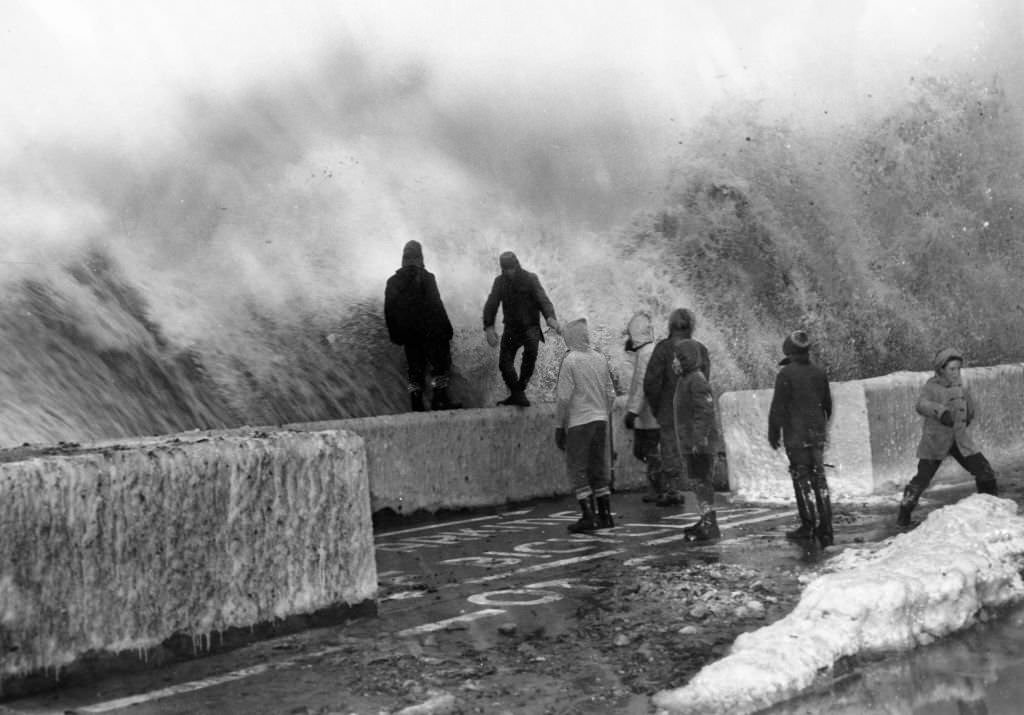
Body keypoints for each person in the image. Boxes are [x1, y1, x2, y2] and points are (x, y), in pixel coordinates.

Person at [897, 348, 998, 527]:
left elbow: (968, 405)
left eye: (958, 369)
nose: (956, 373)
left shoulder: (959, 386)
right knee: (922, 479)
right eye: (952, 369)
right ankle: (903, 516)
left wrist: (968, 416)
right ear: (941, 369)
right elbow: (921, 405)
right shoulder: (931, 387)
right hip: (936, 441)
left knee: (984, 471)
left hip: (960, 440)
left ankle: (991, 511)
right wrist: (941, 412)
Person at [767, 330, 834, 547]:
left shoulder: (786, 375)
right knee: (819, 478)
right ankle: (826, 527)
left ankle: (809, 526)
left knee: (802, 477)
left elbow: (778, 407)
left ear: (789, 352)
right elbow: (828, 405)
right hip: (817, 433)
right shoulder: (819, 372)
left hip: (796, 434)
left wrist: (774, 431)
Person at [554, 318, 617, 533]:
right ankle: (606, 515)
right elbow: (611, 393)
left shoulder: (571, 360)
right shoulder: (600, 358)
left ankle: (588, 516)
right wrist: (602, 413)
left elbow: (563, 398)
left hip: (579, 422)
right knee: (598, 467)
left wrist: (559, 426)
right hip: (600, 421)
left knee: (578, 468)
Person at [643, 309, 710, 506]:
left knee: (670, 449)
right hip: (692, 412)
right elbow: (705, 381)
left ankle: (671, 489)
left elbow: (651, 383)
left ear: (670, 326)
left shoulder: (663, 349)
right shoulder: (701, 349)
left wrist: (656, 407)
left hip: (668, 410)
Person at [384, 240, 462, 412]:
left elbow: (389, 311)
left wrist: (395, 334)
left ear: (403, 258)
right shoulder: (427, 277)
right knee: (439, 366)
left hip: (409, 334)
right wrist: (447, 329)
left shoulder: (393, 281)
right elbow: (436, 305)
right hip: (430, 331)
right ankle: (439, 399)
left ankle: (416, 403)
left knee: (415, 370)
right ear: (420, 258)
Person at [482, 251, 561, 406]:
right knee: (504, 363)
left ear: (517, 264)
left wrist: (550, 318)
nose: (509, 272)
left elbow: (543, 300)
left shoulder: (530, 279)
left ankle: (519, 391)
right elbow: (492, 304)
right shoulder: (500, 282)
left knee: (529, 358)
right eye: (506, 269)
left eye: (511, 268)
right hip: (512, 329)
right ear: (502, 269)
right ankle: (517, 393)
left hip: (531, 327)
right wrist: (489, 327)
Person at [672, 338, 721, 541]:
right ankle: (706, 519)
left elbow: (705, 411)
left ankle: (710, 523)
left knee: (702, 482)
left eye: (678, 358)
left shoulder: (696, 380)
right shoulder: (686, 379)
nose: (674, 361)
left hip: (699, 445)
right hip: (692, 443)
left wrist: (698, 439)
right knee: (698, 482)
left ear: (687, 359)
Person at [622, 312, 662, 502]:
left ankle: (660, 487)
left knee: (647, 452)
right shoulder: (648, 351)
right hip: (651, 415)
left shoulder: (646, 354)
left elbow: (641, 384)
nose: (627, 339)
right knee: (649, 453)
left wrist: (632, 412)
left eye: (629, 335)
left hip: (649, 416)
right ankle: (659, 486)